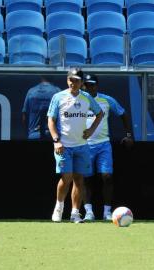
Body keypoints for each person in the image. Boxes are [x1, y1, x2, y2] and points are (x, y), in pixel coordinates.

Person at [48, 68, 104, 223]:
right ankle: (58, 208)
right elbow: (51, 120)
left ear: (81, 82)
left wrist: (91, 129)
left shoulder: (86, 98)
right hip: (63, 145)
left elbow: (100, 113)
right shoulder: (58, 97)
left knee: (79, 180)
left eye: (76, 80)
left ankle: (74, 214)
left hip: (82, 146)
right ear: (67, 80)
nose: (73, 83)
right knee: (66, 178)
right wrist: (56, 140)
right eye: (71, 80)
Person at [82, 74, 134, 221]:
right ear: (83, 86)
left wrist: (129, 135)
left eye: (92, 85)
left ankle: (107, 212)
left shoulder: (106, 100)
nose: (89, 87)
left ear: (97, 86)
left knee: (107, 177)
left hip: (104, 144)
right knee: (85, 179)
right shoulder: (78, 101)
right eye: (86, 85)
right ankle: (88, 212)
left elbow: (123, 114)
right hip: (84, 145)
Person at [22, 75, 61, 140]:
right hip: (52, 135)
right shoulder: (58, 91)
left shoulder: (31, 91)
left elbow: (24, 117)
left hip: (33, 135)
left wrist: (30, 131)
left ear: (41, 77)